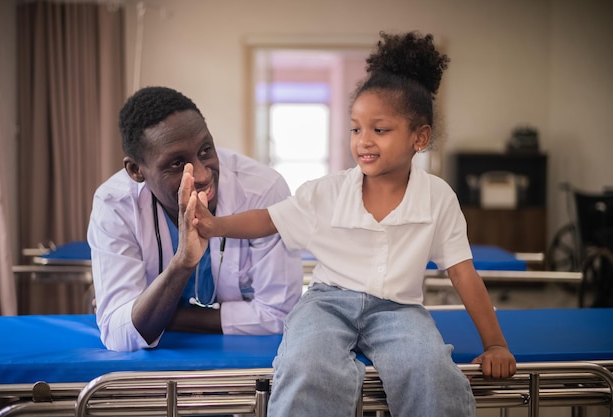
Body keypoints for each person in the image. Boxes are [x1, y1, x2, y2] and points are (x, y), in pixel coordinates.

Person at [192, 31, 517, 416]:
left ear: (420, 137)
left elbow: (464, 274)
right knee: (306, 365)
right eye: (356, 128)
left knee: (430, 371)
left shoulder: (438, 197)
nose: (363, 141)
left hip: (399, 310)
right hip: (327, 303)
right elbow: (269, 219)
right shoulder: (326, 191)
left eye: (379, 130)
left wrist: (496, 343)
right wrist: (214, 226)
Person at [87, 86, 303, 352]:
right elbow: (119, 335)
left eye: (205, 150)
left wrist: (162, 314)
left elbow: (279, 316)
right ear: (136, 170)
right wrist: (182, 264)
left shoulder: (263, 189)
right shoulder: (115, 204)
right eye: (177, 164)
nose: (201, 175)